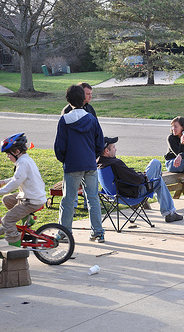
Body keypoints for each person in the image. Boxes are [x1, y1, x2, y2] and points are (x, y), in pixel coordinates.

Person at [54, 84, 106, 243]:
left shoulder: (64, 120)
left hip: (72, 165)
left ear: (68, 100)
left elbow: (59, 146)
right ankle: (98, 232)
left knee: (68, 200)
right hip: (90, 164)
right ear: (83, 99)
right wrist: (93, 156)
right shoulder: (91, 119)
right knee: (93, 199)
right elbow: (100, 143)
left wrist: (65, 159)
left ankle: (64, 233)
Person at [97, 136, 183, 222]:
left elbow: (128, 177)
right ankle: (169, 213)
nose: (116, 150)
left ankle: (169, 212)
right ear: (107, 151)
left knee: (156, 178)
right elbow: (138, 180)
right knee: (156, 167)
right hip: (132, 195)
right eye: (113, 147)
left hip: (114, 196)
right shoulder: (115, 164)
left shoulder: (99, 165)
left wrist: (140, 175)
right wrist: (144, 176)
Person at [0, 133, 47, 247]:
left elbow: (16, 182)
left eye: (8, 154)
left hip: (31, 201)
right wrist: (4, 181)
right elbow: (19, 177)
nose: (7, 157)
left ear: (16, 152)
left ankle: (15, 249)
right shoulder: (26, 160)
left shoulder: (23, 162)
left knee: (6, 221)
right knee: (7, 199)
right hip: (32, 196)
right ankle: (28, 220)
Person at [61, 82, 96, 210]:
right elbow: (62, 141)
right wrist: (65, 158)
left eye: (91, 94)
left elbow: (96, 133)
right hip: (73, 159)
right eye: (87, 94)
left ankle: (88, 207)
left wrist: (94, 154)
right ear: (80, 94)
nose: (90, 97)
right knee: (70, 195)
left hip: (89, 158)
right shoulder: (67, 112)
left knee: (92, 197)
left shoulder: (90, 109)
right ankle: (73, 208)